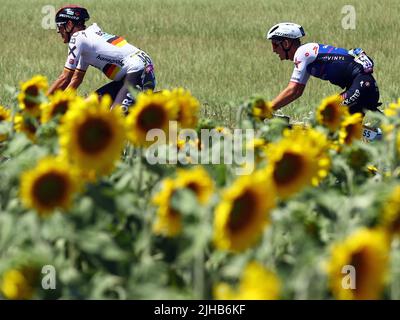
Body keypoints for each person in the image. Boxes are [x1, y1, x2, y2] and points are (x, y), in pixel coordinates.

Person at [47, 5, 156, 114]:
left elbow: (65, 78)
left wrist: (43, 102)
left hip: (137, 70)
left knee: (116, 117)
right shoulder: (86, 41)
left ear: (69, 25)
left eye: (60, 27)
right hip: (133, 71)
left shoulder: (77, 38)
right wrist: (62, 105)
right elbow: (76, 80)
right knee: (89, 105)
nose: (58, 31)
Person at [265, 22, 381, 115]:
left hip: (361, 86)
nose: (273, 50)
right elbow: (297, 92)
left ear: (286, 43)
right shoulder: (308, 56)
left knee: (322, 118)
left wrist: (267, 109)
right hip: (365, 86)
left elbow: (292, 90)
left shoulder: (302, 52)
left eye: (275, 45)